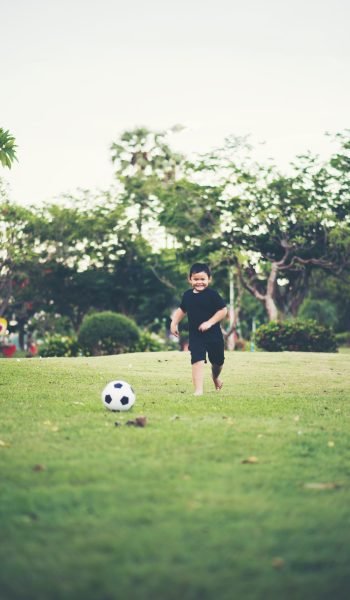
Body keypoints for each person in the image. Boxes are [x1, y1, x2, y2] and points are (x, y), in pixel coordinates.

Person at [170, 262, 227, 395]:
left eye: (203, 279)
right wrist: (174, 323)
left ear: (209, 279)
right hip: (196, 336)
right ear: (190, 279)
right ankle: (198, 391)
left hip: (214, 335)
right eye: (196, 279)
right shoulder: (187, 295)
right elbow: (181, 310)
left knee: (218, 362)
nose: (199, 282)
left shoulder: (213, 295)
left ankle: (215, 377)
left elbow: (223, 311)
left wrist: (210, 322)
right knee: (197, 360)